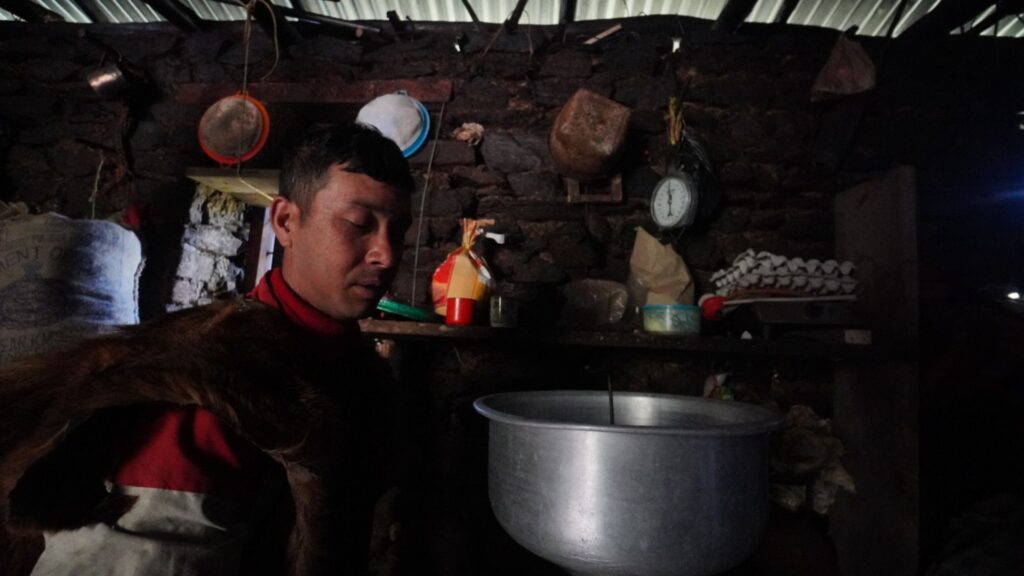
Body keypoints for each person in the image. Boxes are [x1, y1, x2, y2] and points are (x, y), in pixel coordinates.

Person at [0, 121, 415, 576]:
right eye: (359, 224)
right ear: (285, 222)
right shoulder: (209, 390)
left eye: (397, 230)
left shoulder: (356, 372)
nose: (386, 254)